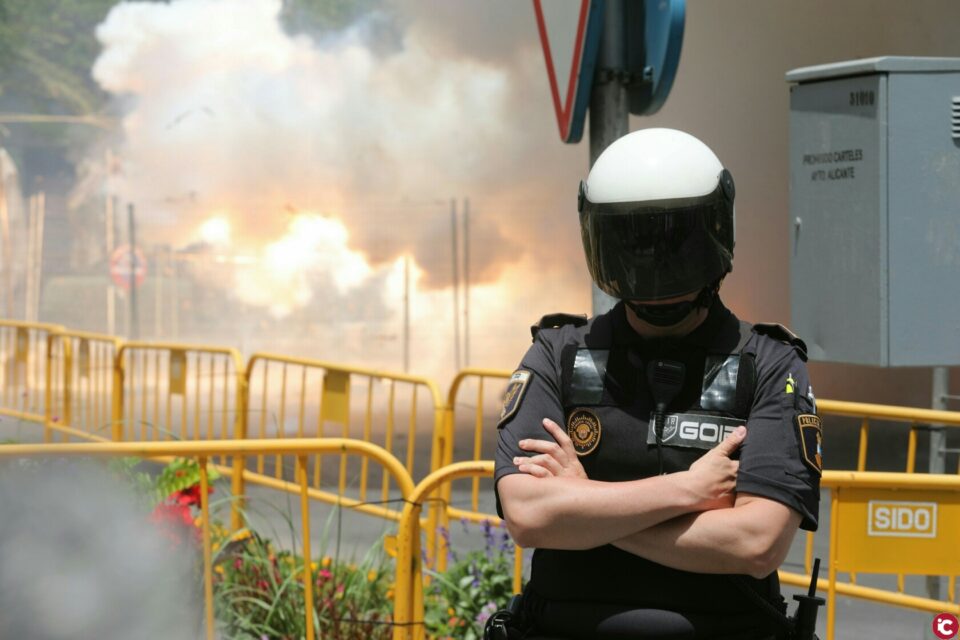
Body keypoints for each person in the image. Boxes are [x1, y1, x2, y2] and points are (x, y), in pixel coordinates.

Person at [493, 128, 822, 640]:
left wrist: (587, 505)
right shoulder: (558, 355)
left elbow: (756, 544)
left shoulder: (770, 365)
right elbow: (529, 516)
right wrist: (686, 490)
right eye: (633, 241)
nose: (653, 262)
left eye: (674, 240)